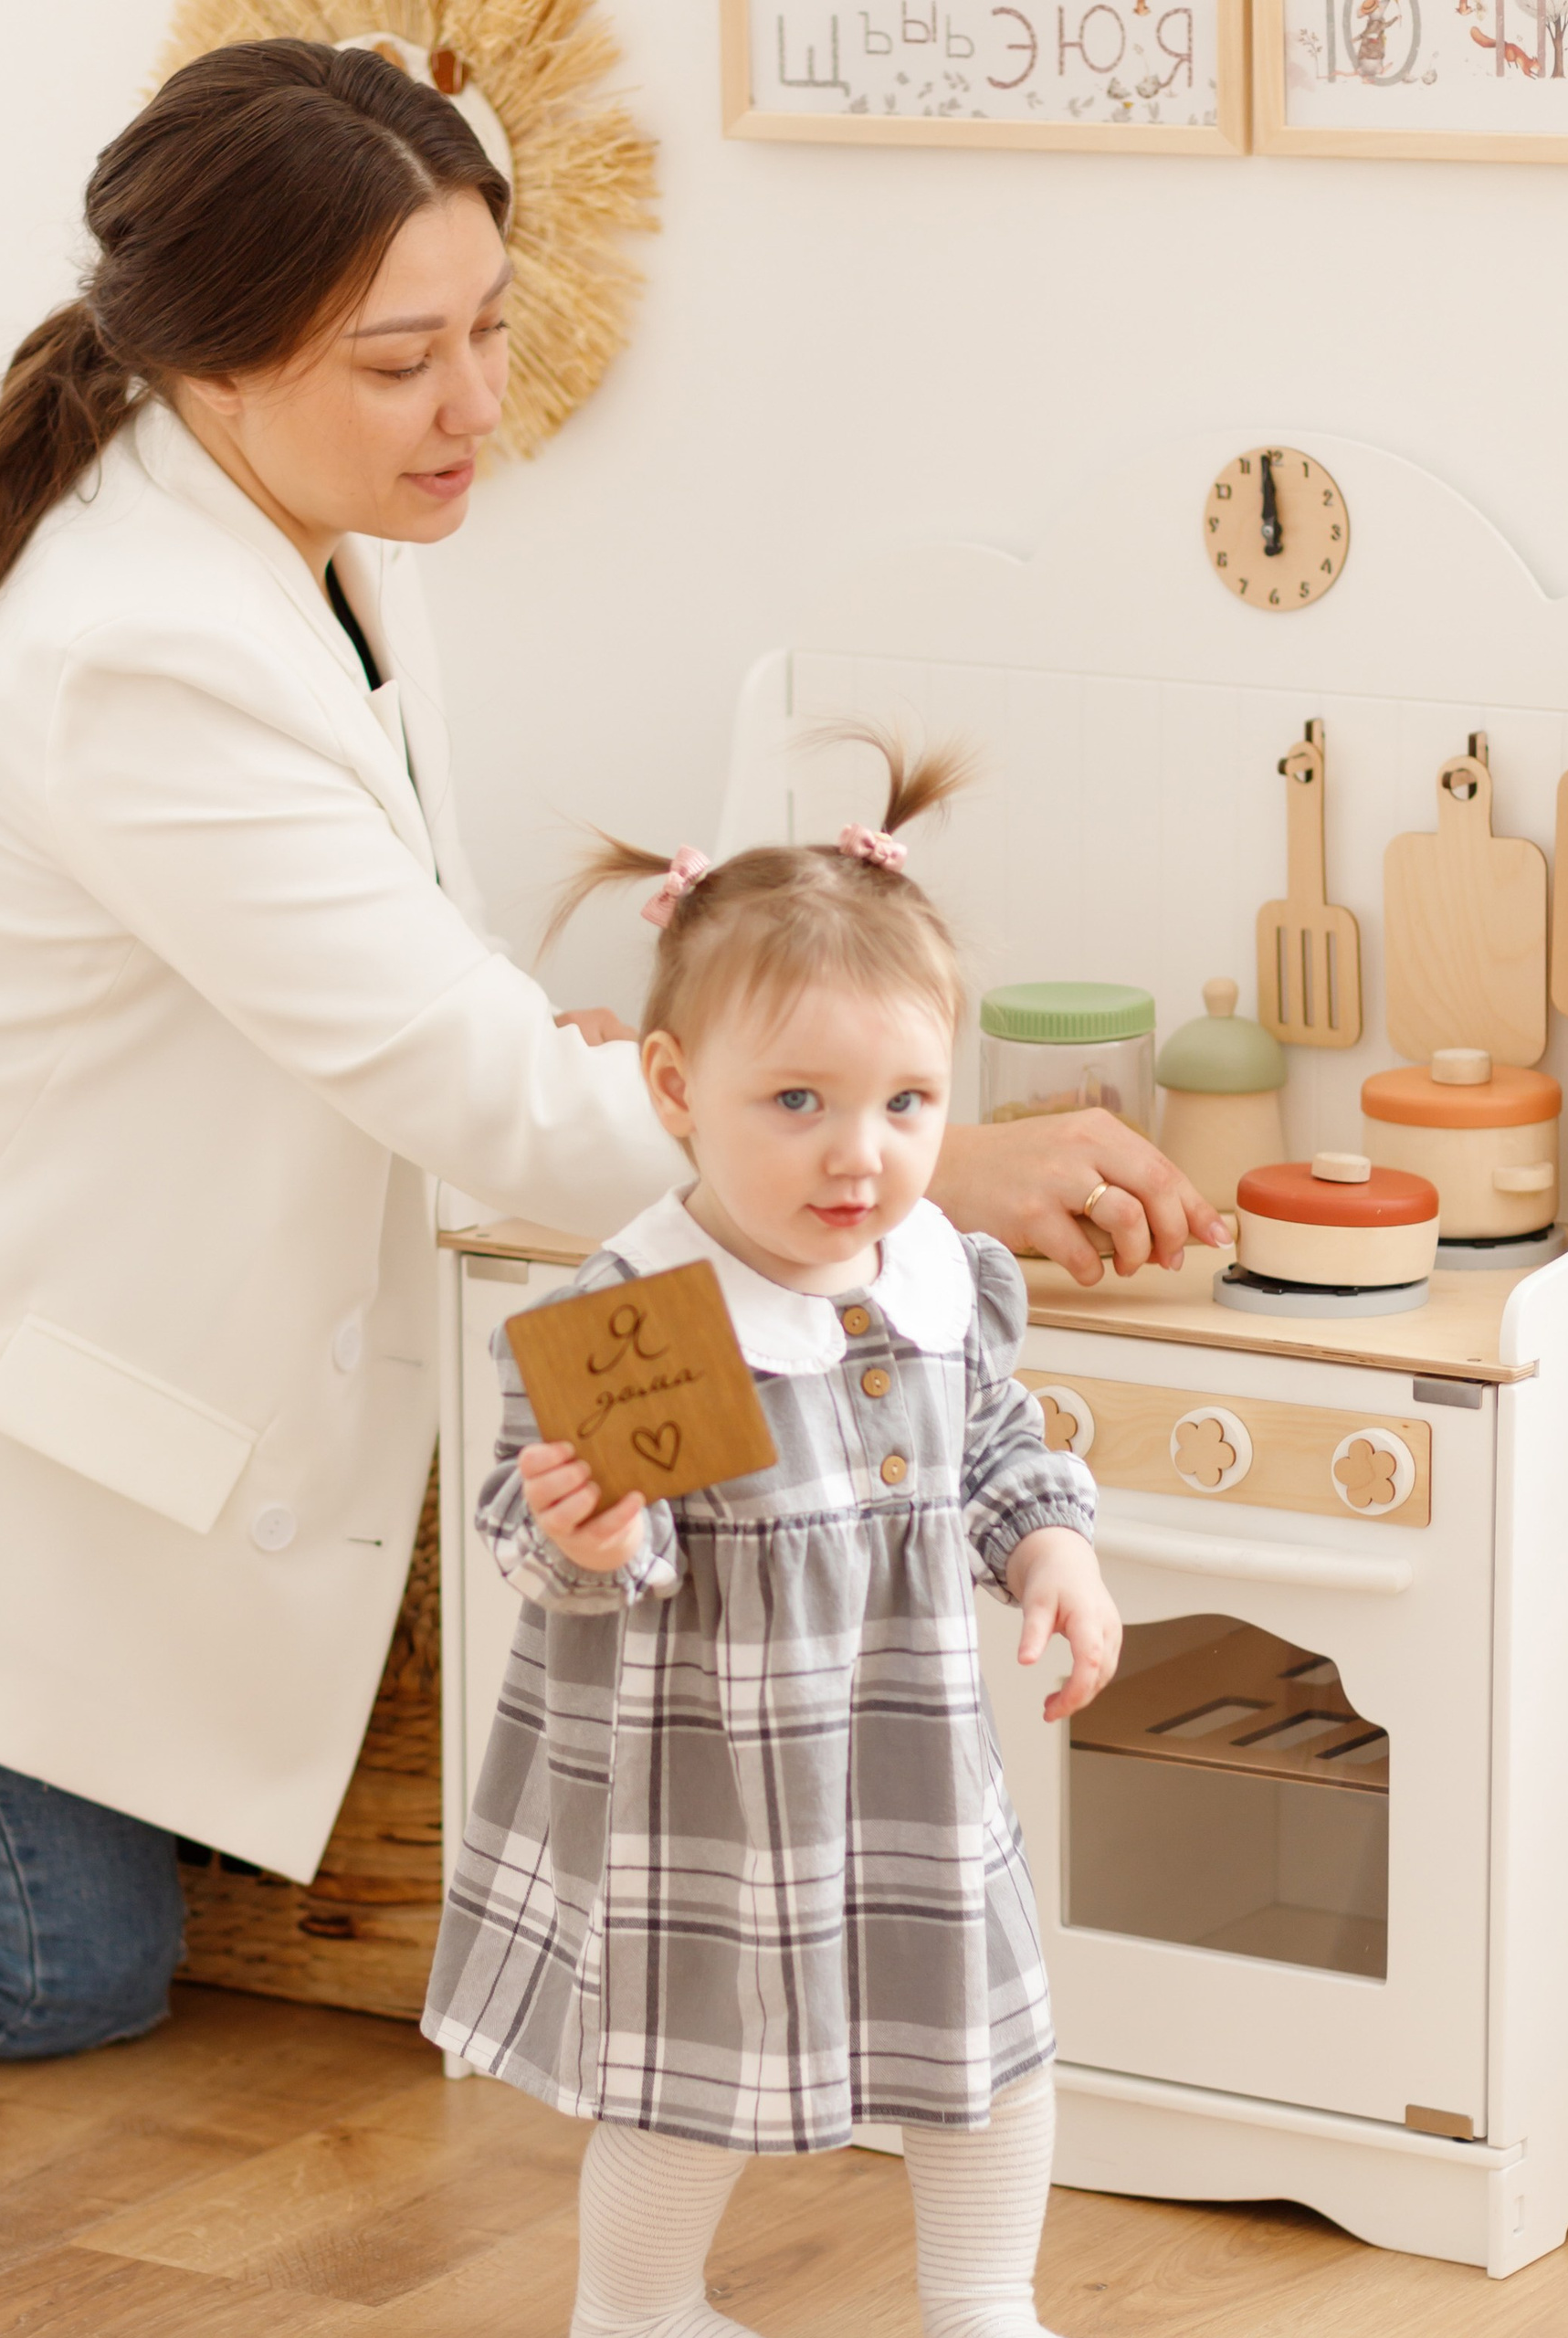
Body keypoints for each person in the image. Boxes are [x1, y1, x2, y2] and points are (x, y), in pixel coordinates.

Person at [0, 41, 1203, 2050]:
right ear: (219, 364)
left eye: (486, 331)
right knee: (42, 1955)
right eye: (397, 359)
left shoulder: (307, 535)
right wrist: (920, 1151)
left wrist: (580, 1050)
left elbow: (382, 966)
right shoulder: (146, 641)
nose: (471, 404)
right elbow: (473, 1090)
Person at [423, 739, 1119, 2338]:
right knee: (689, 2079)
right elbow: (529, 1522)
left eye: (906, 1103)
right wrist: (587, 1546)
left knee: (992, 2035)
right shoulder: (639, 1309)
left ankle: (982, 2303)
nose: (856, 1153)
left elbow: (993, 1435)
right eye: (796, 1102)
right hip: (713, 1783)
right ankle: (638, 2308)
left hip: (912, 1752)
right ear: (675, 1090)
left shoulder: (929, 1265)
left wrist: (1050, 1551)